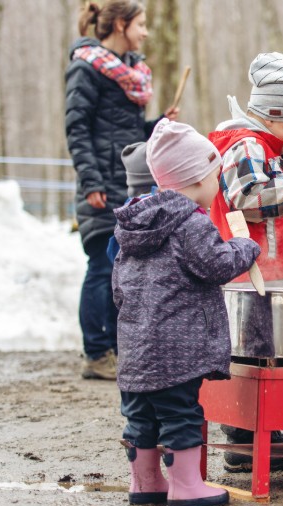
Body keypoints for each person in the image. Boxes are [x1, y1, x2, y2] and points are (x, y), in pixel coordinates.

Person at [112, 119, 260, 506]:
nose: (218, 186)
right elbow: (216, 266)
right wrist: (244, 246)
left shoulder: (135, 224)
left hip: (136, 350)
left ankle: (145, 483)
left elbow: (117, 286)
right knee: (182, 414)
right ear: (196, 180)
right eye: (215, 177)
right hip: (177, 351)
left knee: (140, 416)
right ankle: (186, 486)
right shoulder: (191, 222)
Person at [207, 52, 283, 473]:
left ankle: (261, 433)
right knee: (253, 354)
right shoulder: (247, 145)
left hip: (262, 272)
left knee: (262, 352)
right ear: (274, 114)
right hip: (248, 273)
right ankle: (246, 439)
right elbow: (246, 198)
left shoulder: (261, 146)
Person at [65, 0, 178, 380]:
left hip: (127, 183)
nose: (145, 32)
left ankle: (116, 349)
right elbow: (77, 130)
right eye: (141, 24)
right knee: (100, 265)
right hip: (99, 184)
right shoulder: (86, 68)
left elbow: (125, 133)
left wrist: (158, 124)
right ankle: (95, 353)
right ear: (119, 25)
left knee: (120, 267)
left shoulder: (131, 75)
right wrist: (91, 182)